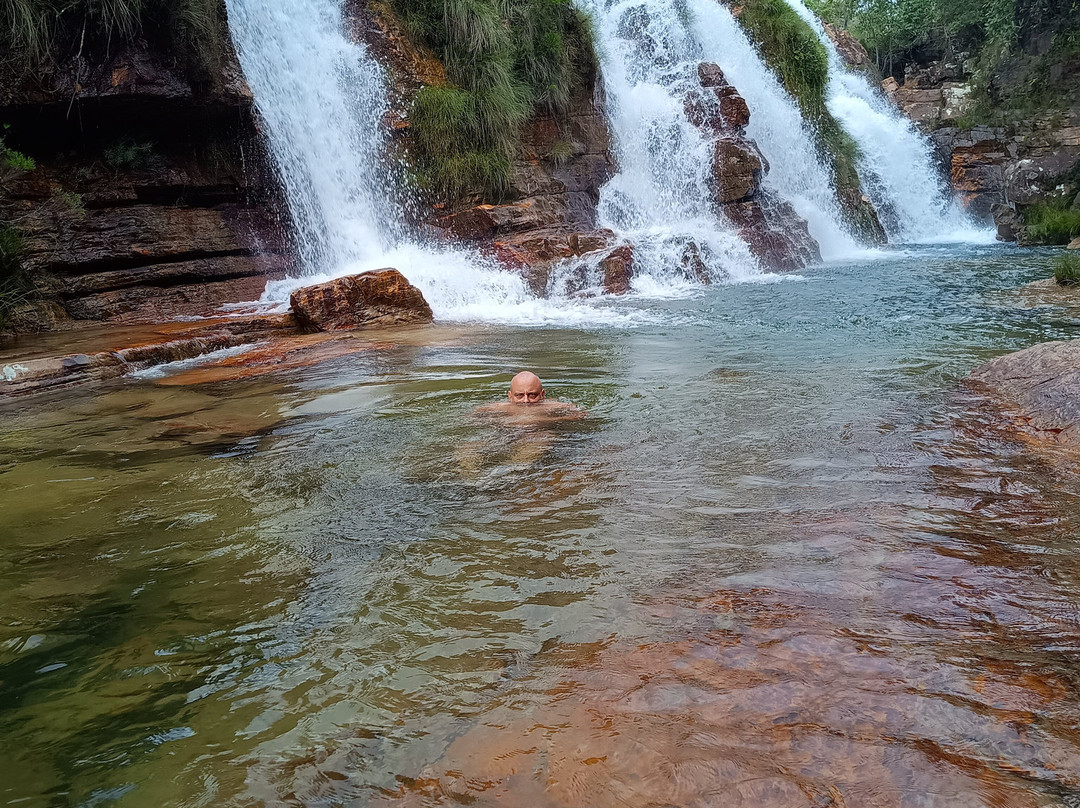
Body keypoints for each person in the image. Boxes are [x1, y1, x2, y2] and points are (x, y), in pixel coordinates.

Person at [474, 371, 586, 423]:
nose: (526, 401)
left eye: (532, 395)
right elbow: (473, 416)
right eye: (519, 395)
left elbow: (582, 414)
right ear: (510, 396)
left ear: (542, 395)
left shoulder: (553, 406)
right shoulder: (499, 407)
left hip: (539, 435)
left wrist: (550, 420)